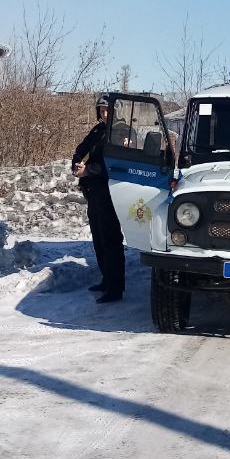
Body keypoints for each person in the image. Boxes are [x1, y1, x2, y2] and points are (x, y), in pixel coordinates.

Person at [72, 96, 126, 303]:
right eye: (101, 110)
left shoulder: (121, 131)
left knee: (110, 239)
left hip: (109, 190)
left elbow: (118, 164)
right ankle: (106, 279)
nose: (104, 114)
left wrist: (90, 170)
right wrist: (76, 164)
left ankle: (115, 288)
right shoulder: (98, 130)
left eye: (108, 110)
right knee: (98, 238)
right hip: (93, 190)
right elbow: (81, 149)